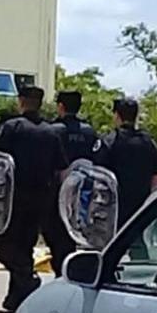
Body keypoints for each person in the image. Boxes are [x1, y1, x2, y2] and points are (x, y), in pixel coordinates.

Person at [0, 85, 68, 312]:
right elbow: (62, 169)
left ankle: (27, 280)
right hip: (41, 198)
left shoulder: (12, 127)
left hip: (14, 197)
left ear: (22, 101)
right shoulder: (51, 132)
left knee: (4, 244)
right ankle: (15, 297)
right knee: (25, 245)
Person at [46, 91, 98, 276]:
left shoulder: (52, 130)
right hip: (82, 195)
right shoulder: (89, 132)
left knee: (55, 234)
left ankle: (62, 271)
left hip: (55, 192)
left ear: (60, 106)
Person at [94, 97, 157, 230]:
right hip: (141, 211)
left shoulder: (109, 141)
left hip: (113, 212)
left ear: (117, 115)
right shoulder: (148, 142)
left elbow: (97, 175)